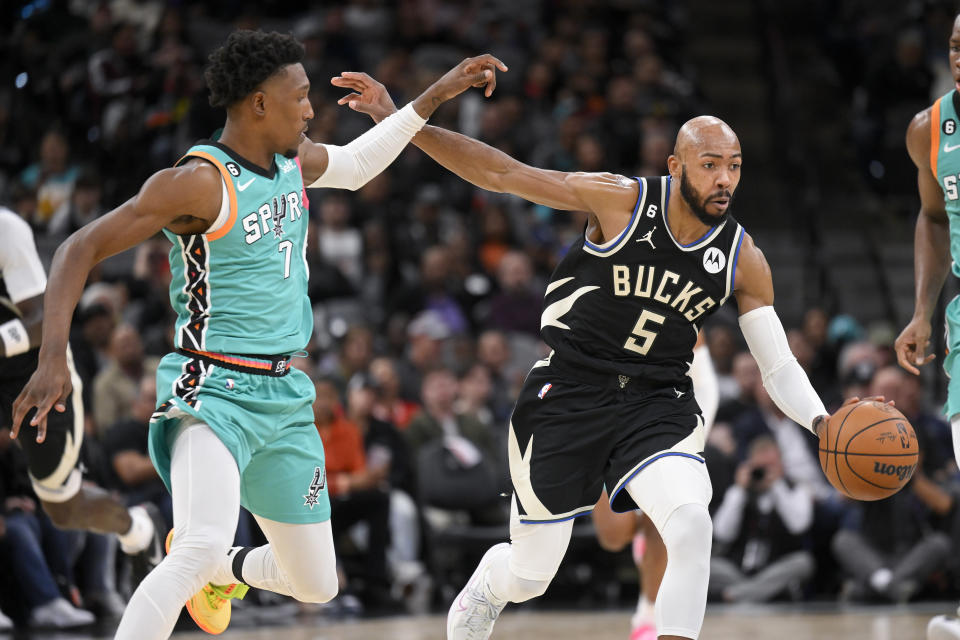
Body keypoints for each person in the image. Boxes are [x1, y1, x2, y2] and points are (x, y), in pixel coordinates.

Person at [11, 29, 505, 640]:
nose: (310, 109)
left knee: (318, 582)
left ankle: (227, 570)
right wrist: (52, 357)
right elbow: (76, 248)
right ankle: (206, 562)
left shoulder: (293, 162)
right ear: (258, 104)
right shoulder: (197, 181)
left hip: (283, 395)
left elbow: (355, 165)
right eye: (299, 97)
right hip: (212, 386)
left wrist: (433, 96)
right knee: (195, 545)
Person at [333, 73, 856, 640]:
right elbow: (503, 174)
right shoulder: (621, 201)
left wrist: (822, 422)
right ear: (675, 166)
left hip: (657, 400)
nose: (724, 178)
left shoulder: (742, 257)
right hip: (570, 390)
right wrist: (400, 122)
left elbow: (776, 365)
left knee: (690, 528)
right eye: (709, 164)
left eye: (733, 164)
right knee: (531, 573)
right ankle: (491, 583)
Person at [0, 207, 166, 594]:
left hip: (35, 374)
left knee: (64, 506)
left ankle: (139, 527)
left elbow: (44, 318)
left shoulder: (7, 229)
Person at [893, 13, 960, 640]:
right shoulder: (929, 130)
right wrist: (922, 310)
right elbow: (934, 218)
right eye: (956, 46)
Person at [592, 332, 718, 640]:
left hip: (675, 423)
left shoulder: (678, 313)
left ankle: (648, 615)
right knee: (613, 535)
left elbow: (705, 385)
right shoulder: (603, 314)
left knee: (665, 518)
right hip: (616, 425)